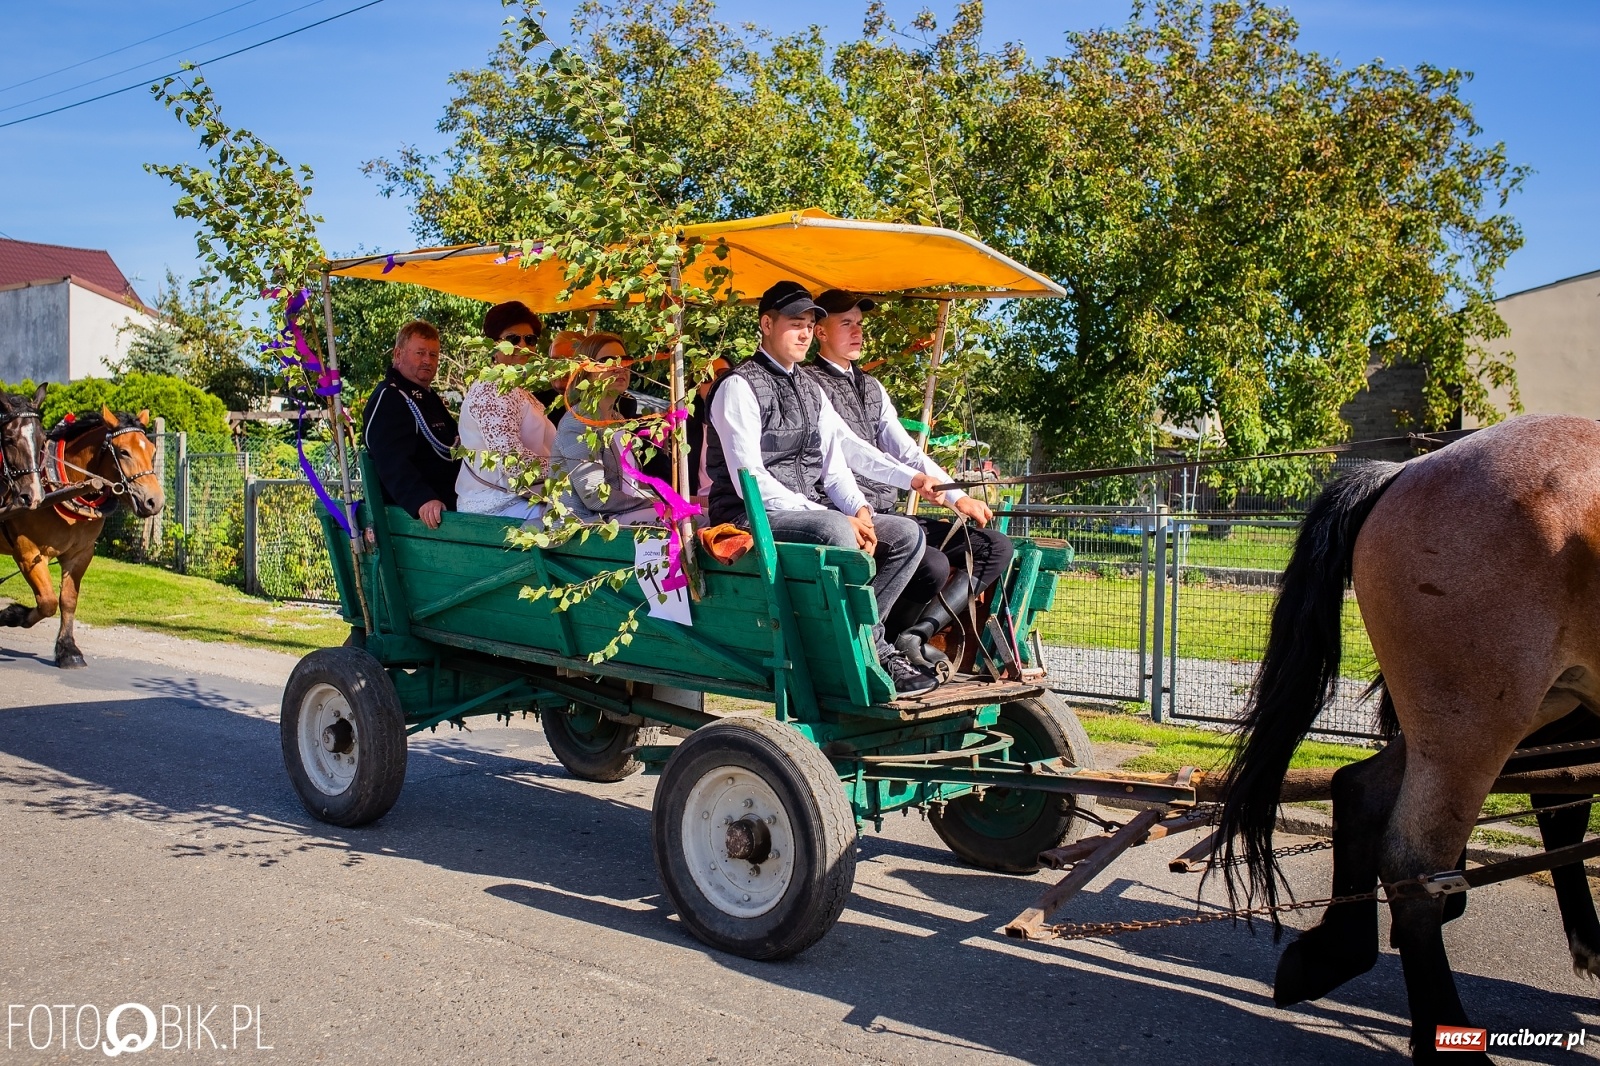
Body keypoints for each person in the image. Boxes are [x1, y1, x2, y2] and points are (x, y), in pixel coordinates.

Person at [704, 280, 945, 697]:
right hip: (747, 515)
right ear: (766, 324)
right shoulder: (738, 386)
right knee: (834, 530)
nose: (803, 333)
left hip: (803, 512)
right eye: (794, 324)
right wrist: (831, 516)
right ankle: (863, 653)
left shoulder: (810, 388)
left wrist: (862, 507)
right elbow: (751, 482)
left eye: (808, 324)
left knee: (907, 535)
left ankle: (863, 643)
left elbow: (839, 462)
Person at [806, 289, 1015, 679]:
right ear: (820, 331)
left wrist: (956, 496)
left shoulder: (872, 387)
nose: (857, 332)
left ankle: (915, 636)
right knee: (932, 564)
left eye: (860, 324)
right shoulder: (809, 384)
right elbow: (848, 455)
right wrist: (913, 482)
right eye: (846, 324)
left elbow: (906, 451)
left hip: (891, 515)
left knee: (994, 547)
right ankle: (878, 647)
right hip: (848, 517)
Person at [456, 301, 558, 521]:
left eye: (529, 339)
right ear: (494, 346)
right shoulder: (492, 390)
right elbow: (513, 462)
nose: (522, 346)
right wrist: (570, 467)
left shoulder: (517, 389)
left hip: (528, 498)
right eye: (512, 339)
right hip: (496, 507)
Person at [551, 333, 660, 524]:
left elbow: (631, 485)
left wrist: (668, 498)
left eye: (624, 360)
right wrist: (653, 503)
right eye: (608, 361)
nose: (619, 367)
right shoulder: (577, 422)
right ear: (587, 371)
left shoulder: (618, 420)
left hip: (621, 517)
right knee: (690, 520)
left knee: (702, 515)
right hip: (587, 526)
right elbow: (595, 496)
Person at [361, 319, 458, 529]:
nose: (427, 360)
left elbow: (452, 445)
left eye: (433, 355)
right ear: (398, 354)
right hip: (421, 520)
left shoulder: (427, 397)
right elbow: (390, 459)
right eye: (420, 353)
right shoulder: (391, 397)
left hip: (452, 509)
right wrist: (421, 499)